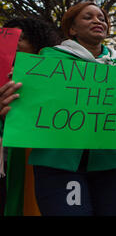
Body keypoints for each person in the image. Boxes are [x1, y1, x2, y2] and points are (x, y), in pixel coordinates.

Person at [1, 2, 116, 216]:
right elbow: (23, 108)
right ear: (72, 29)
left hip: (110, 167)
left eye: (101, 18)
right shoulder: (48, 60)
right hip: (59, 165)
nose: (97, 21)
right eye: (88, 17)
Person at [0, 18, 61, 216]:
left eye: (23, 38)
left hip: (40, 158)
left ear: (38, 43)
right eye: (12, 37)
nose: (16, 43)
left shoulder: (54, 75)